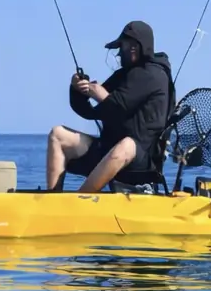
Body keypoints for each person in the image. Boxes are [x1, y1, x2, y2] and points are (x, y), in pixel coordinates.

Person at [47, 21, 174, 192]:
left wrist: (99, 93)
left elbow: (119, 106)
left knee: (127, 144)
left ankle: (80, 199)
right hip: (107, 149)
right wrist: (77, 89)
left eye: (121, 47)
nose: (119, 53)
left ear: (134, 48)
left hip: (140, 158)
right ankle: (52, 199)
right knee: (58, 134)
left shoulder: (154, 75)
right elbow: (91, 112)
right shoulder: (122, 75)